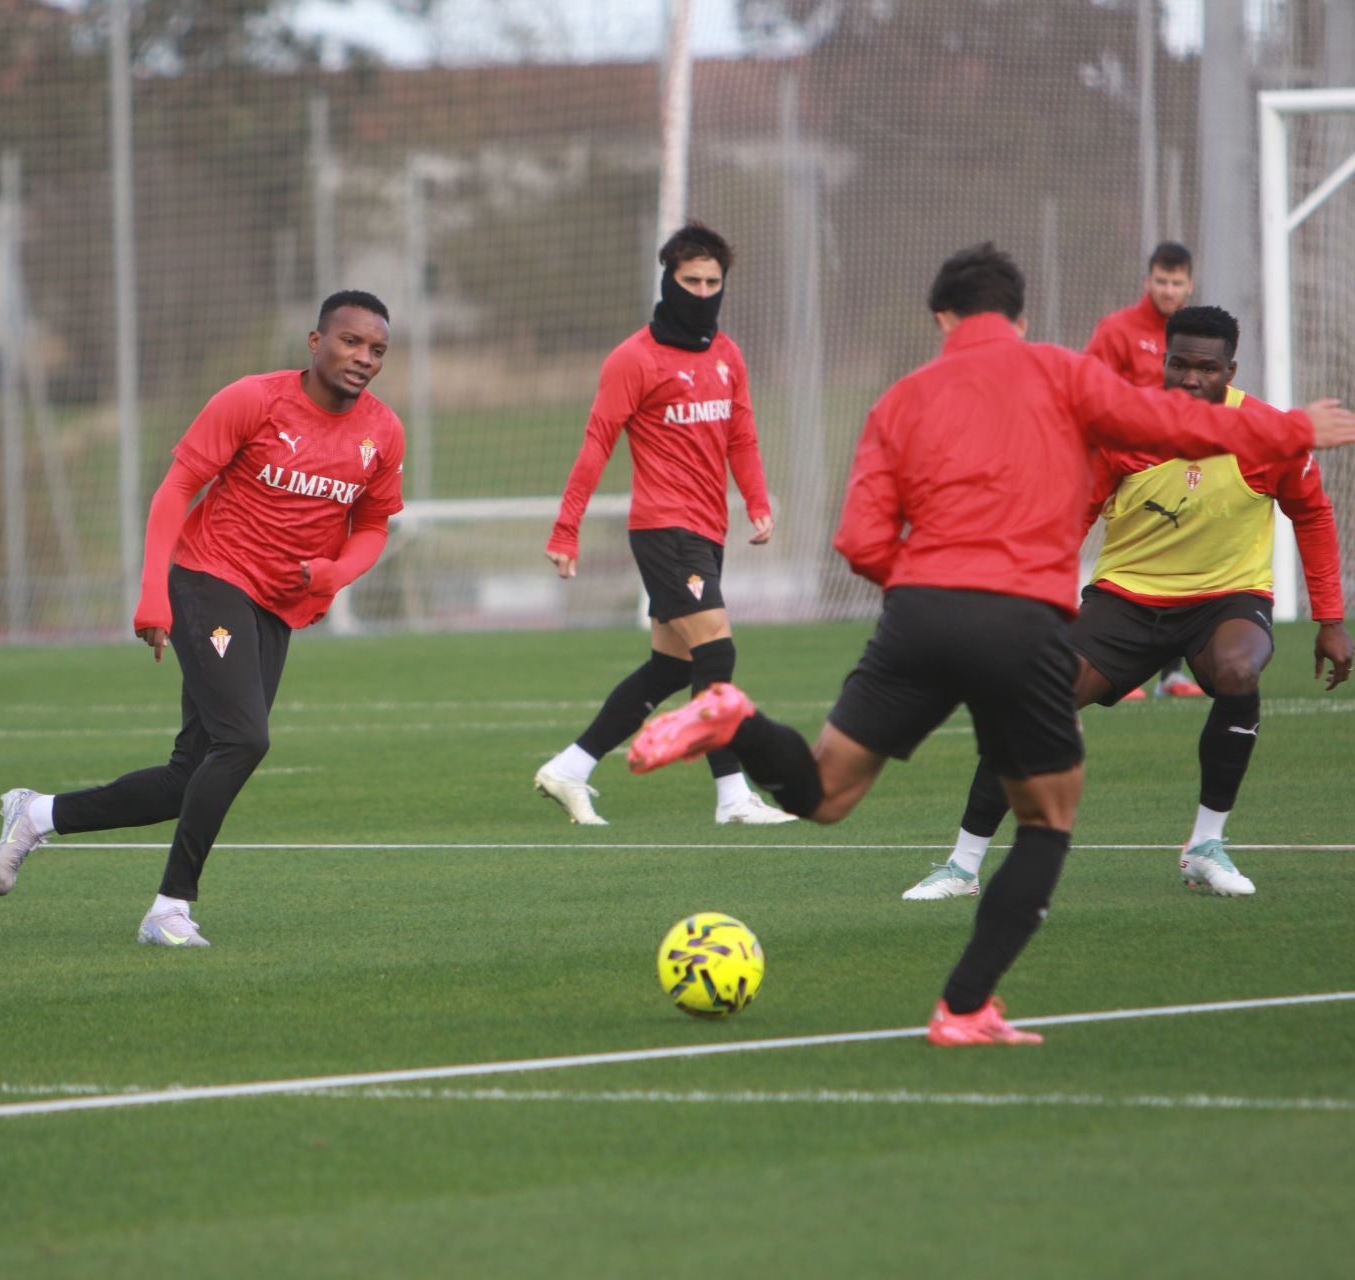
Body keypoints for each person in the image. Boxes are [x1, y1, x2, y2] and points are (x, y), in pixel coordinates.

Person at [622, 244, 1355, 1045]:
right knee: (1047, 817)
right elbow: (1168, 420)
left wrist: (926, 584)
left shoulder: (898, 401)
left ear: (942, 318)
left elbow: (859, 540)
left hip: (919, 615)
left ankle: (733, 719)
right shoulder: (1060, 372)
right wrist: (1290, 428)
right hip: (1019, 620)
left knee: (825, 792)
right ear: (1022, 317)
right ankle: (965, 1008)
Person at [0, 291, 406, 947]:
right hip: (208, 581)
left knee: (190, 778)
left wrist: (335, 574)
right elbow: (175, 490)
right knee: (245, 739)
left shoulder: (382, 432)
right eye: (351, 341)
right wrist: (154, 592)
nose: (364, 358)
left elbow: (374, 523)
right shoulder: (252, 401)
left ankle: (38, 814)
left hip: (275, 607)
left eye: (377, 349)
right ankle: (169, 908)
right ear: (314, 342)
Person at [902, 305, 1349, 902]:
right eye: (1179, 364)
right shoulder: (1121, 430)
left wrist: (1331, 620)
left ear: (1230, 370)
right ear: (1162, 361)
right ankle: (962, 864)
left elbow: (1313, 514)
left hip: (1226, 599)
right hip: (1126, 600)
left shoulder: (1269, 432)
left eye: (1206, 368)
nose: (1191, 379)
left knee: (1239, 669)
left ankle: (1205, 847)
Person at [531, 221, 793, 828]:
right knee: (718, 652)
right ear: (669, 280)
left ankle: (570, 768)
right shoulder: (634, 359)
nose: (702, 292)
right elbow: (596, 444)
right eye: (690, 280)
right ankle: (733, 798)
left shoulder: (727, 355)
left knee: (672, 668)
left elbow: (742, 435)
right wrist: (564, 530)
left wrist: (756, 501)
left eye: (712, 282)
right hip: (664, 529)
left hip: (706, 530)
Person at [1086, 241, 1206, 699]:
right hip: (1122, 466)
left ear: (1189, 284)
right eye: (1162, 281)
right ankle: (1121, 667)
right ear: (1147, 281)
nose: (1169, 290)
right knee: (1126, 557)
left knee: (1177, 553)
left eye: (1177, 283)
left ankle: (1171, 673)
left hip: (1178, 465)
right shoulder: (1117, 330)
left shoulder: (1192, 335)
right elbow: (1090, 390)